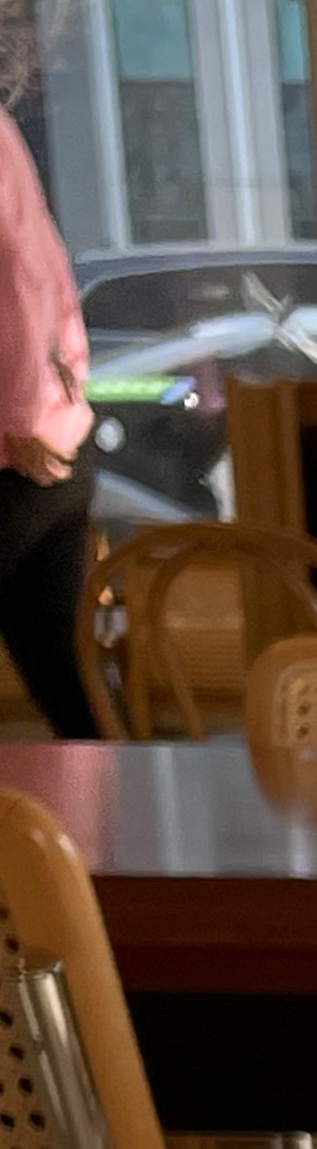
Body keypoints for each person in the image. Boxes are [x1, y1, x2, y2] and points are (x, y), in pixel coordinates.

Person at [0, 107, 98, 738]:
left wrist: (20, 415)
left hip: (20, 453)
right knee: (64, 675)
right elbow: (42, 270)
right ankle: (121, 796)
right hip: (54, 443)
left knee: (62, 672)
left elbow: (18, 275)